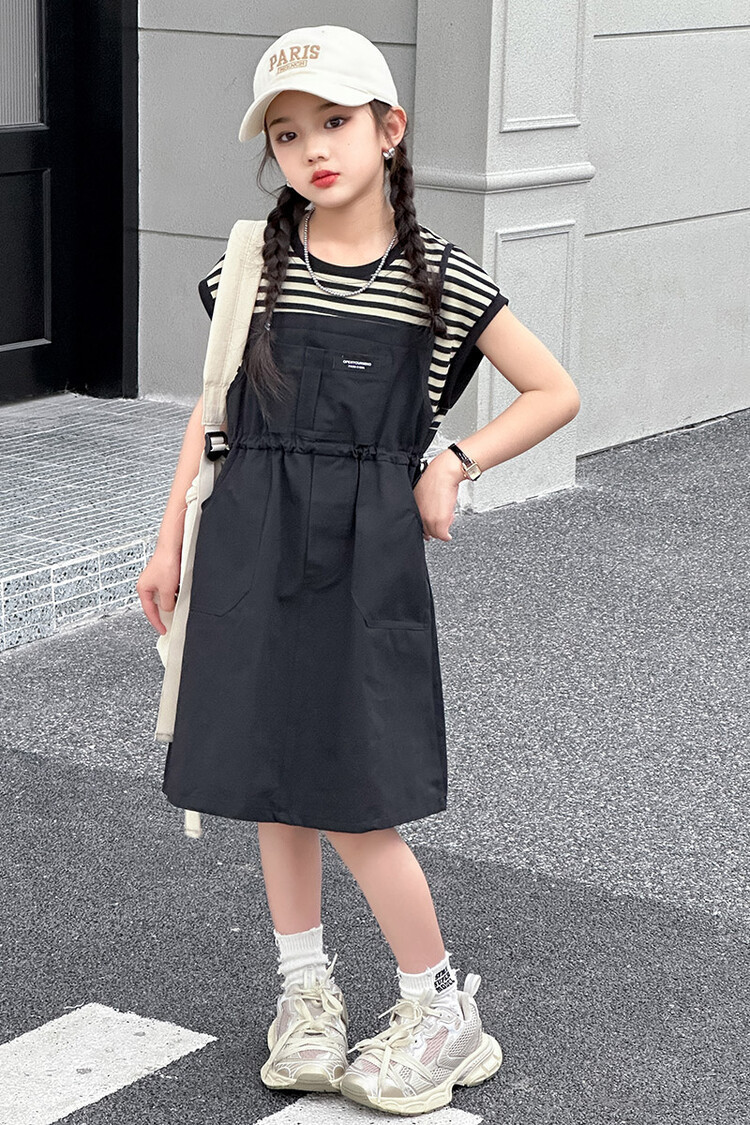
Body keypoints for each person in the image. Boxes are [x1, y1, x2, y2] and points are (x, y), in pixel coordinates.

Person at [137, 24, 580, 1118]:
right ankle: (306, 995)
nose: (313, 150)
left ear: (390, 129)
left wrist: (456, 463)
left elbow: (554, 391)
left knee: (350, 786)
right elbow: (211, 410)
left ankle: (440, 1005)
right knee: (268, 772)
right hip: (249, 534)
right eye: (289, 135)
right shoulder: (252, 264)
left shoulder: (443, 281)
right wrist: (168, 539)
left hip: (364, 550)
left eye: (335, 123)